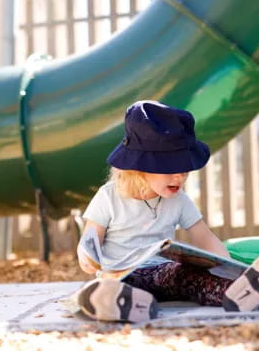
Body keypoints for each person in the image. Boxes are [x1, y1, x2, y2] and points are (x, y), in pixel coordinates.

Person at [75, 100, 236, 323]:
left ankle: (236, 292)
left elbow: (204, 237)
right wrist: (87, 258)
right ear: (139, 169)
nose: (179, 177)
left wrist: (229, 268)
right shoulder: (109, 196)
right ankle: (119, 302)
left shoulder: (179, 200)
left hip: (163, 274)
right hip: (119, 275)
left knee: (188, 276)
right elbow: (90, 239)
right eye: (170, 169)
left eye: (184, 169)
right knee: (110, 286)